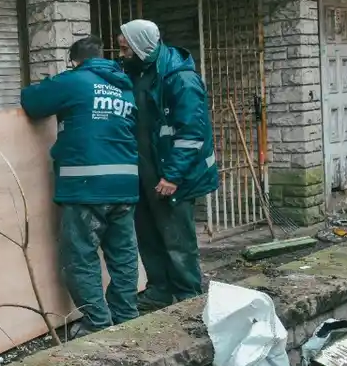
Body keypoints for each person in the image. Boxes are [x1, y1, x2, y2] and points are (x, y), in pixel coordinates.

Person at [21, 35, 140, 333]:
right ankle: (126, 317)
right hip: (125, 185)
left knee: (80, 256)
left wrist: (60, 79)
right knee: (123, 254)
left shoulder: (75, 80)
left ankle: (98, 324)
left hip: (88, 186)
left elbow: (32, 101)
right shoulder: (124, 86)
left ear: (75, 60)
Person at [117, 19, 219, 309]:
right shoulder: (137, 69)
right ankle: (159, 290)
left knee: (177, 240)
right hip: (146, 169)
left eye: (125, 47)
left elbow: (191, 133)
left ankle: (188, 296)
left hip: (173, 174)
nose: (121, 52)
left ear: (139, 46)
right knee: (148, 235)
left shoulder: (180, 78)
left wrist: (173, 176)